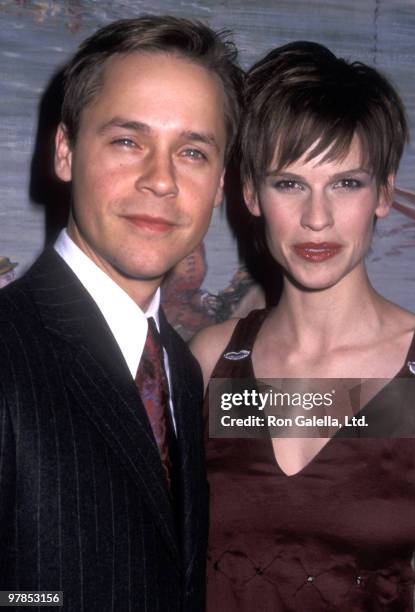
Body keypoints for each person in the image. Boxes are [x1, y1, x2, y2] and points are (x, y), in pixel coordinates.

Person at [191, 41, 415, 611]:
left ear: (383, 193)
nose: (317, 218)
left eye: (346, 183)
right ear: (250, 194)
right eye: (289, 183)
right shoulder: (211, 361)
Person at [0, 15, 242, 611]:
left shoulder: (181, 373)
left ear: (219, 186)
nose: (161, 180)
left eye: (192, 151)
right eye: (128, 141)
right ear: (64, 151)